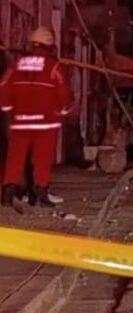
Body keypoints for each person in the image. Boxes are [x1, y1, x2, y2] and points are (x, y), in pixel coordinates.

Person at [0, 27, 72, 207]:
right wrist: (63, 111)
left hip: (20, 122)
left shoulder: (17, 64)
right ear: (50, 46)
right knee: (42, 159)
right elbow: (64, 93)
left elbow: (3, 86)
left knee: (15, 158)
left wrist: (8, 108)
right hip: (45, 123)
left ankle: (7, 194)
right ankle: (40, 193)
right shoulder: (53, 66)